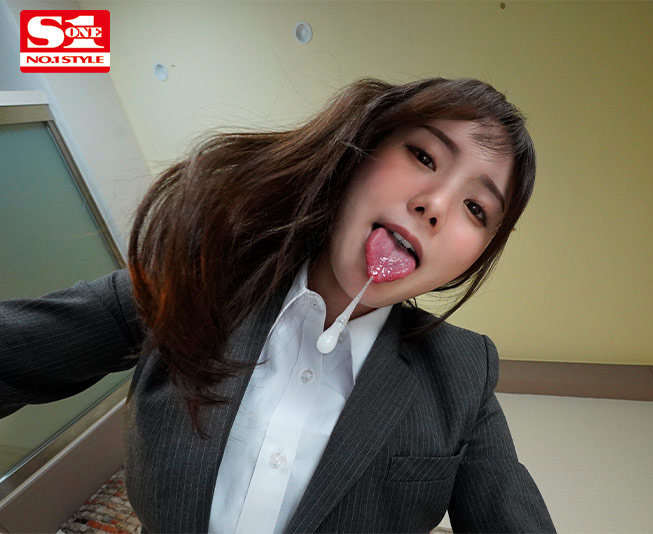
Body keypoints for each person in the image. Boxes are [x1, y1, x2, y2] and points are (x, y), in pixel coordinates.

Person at [0, 77, 556, 533]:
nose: (434, 205)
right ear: (359, 153)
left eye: (476, 209)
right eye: (422, 155)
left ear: (477, 255)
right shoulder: (198, 280)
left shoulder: (463, 374)